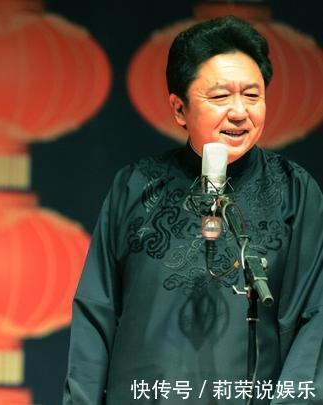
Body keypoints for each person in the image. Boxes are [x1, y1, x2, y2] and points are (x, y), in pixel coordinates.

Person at [63, 16, 323, 404]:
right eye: (220, 97)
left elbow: (314, 319)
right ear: (179, 108)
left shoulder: (293, 190)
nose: (239, 112)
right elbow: (96, 311)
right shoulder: (137, 185)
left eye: (252, 96)